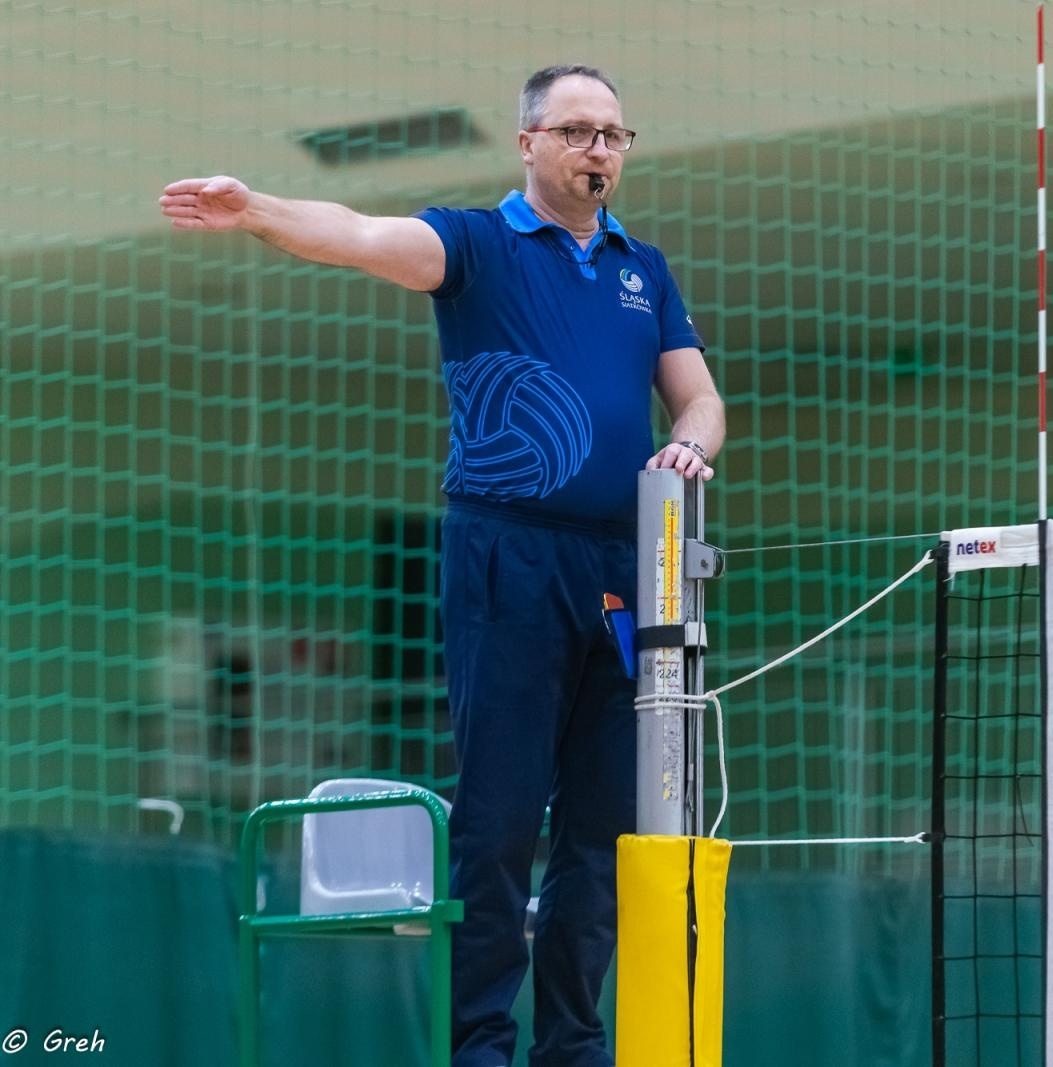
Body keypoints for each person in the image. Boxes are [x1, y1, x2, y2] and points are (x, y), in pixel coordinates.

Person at [160, 64, 724, 1067]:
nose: (598, 149)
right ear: (530, 144)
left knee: (603, 826)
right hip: (503, 553)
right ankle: (479, 1043)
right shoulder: (475, 243)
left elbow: (700, 399)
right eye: (577, 131)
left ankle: (573, 1041)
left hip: (627, 564)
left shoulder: (649, 268)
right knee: (501, 817)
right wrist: (256, 211)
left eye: (613, 134)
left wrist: (692, 441)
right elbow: (360, 234)